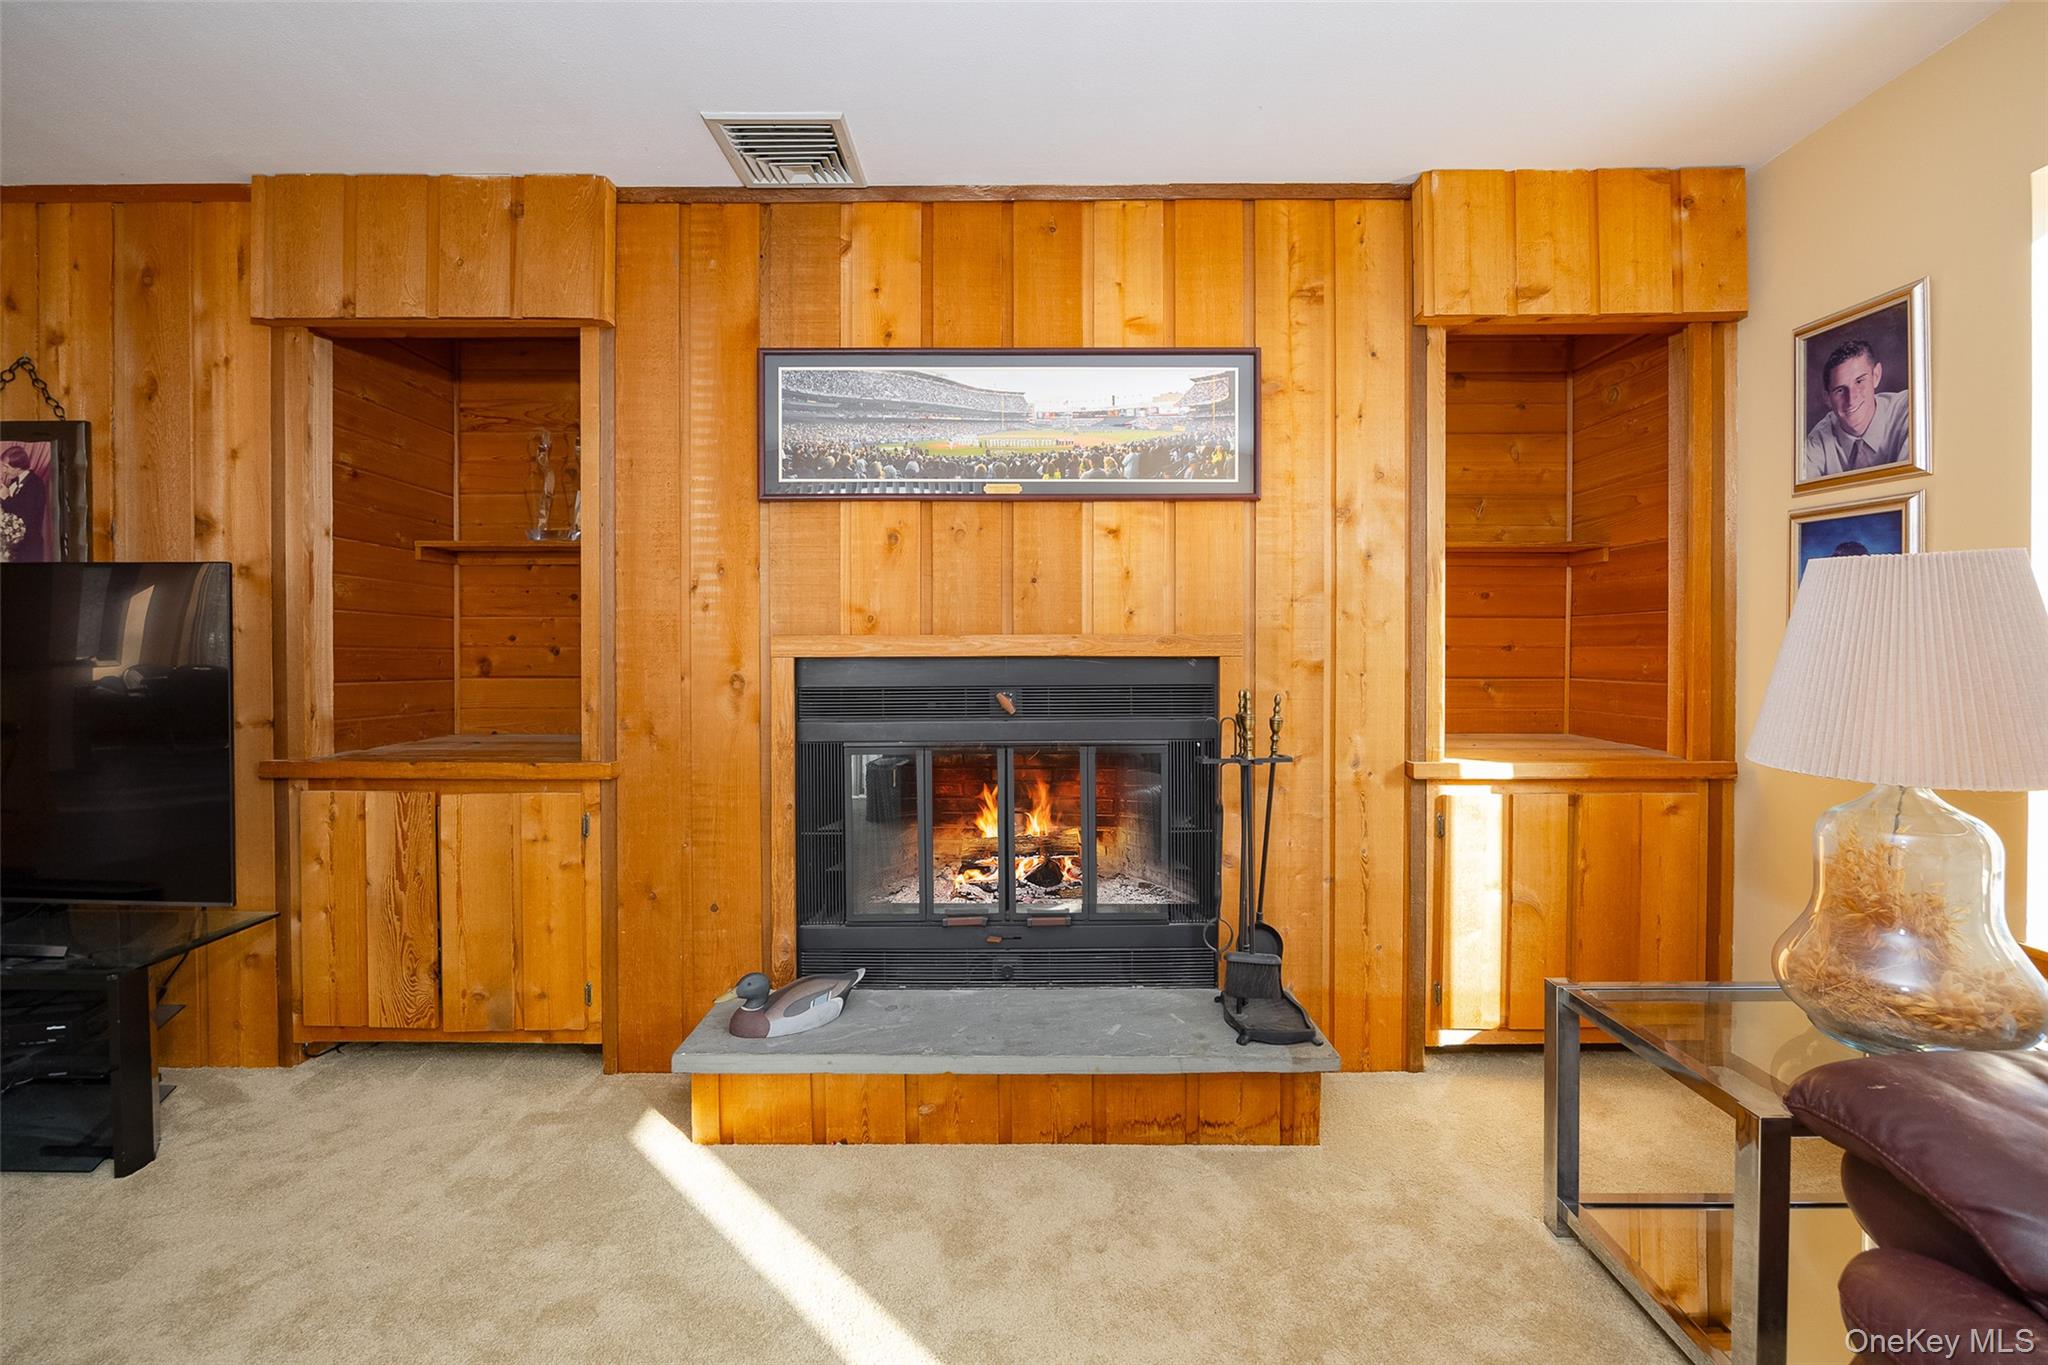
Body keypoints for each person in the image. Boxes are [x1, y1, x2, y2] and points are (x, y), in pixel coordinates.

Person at [1801, 341, 1911, 482]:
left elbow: (1909, 485)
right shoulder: (1817, 442)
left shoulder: (1910, 410)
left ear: (1876, 375)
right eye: (1840, 390)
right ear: (1827, 398)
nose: (1851, 399)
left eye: (1859, 381)